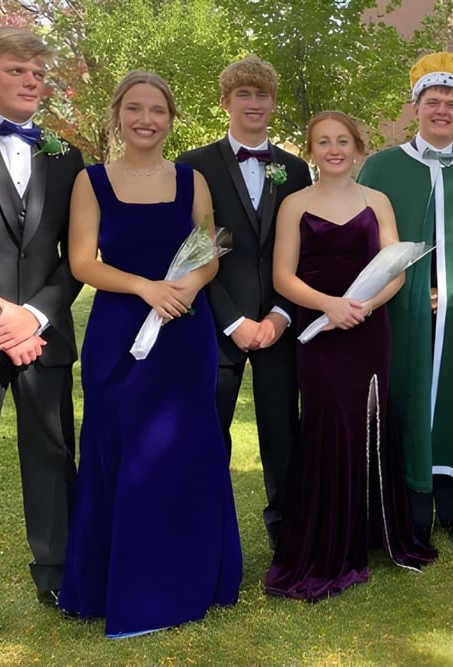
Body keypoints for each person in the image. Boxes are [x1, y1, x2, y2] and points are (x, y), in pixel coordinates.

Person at [58, 71, 241, 637]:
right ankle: (115, 584)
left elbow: (209, 252)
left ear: (171, 118)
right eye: (134, 108)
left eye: (157, 110)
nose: (146, 119)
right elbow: (83, 262)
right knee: (118, 446)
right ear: (118, 115)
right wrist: (145, 288)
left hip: (185, 334)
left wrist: (190, 284)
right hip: (120, 333)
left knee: (186, 448)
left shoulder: (193, 181)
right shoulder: (92, 182)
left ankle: (190, 579)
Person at [265, 111, 437, 602]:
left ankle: (376, 531)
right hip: (318, 332)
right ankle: (327, 540)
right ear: (311, 150)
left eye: (342, 140)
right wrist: (329, 307)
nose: (334, 148)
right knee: (327, 426)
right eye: (323, 142)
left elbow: (397, 271)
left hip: (368, 330)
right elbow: (283, 277)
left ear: (358, 147)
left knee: (371, 425)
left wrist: (359, 310)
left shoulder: (377, 201)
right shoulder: (295, 204)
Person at [358, 52, 453, 545]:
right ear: (415, 108)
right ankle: (407, 503)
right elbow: (363, 241)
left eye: (451, 103)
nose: (442, 110)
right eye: (432, 101)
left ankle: (450, 503)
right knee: (408, 396)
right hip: (399, 312)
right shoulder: (381, 167)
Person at [177, 54, 311, 550]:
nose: (254, 103)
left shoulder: (296, 170)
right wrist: (233, 320)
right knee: (210, 431)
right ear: (225, 102)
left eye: (262, 94)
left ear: (274, 102)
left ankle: (288, 537)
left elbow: (303, 248)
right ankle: (206, 539)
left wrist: (279, 314)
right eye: (243, 94)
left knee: (283, 434)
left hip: (280, 323)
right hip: (217, 321)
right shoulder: (194, 165)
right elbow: (194, 250)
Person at [0, 26, 84, 639]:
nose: (30, 82)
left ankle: (59, 575)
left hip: (44, 335)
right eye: (18, 71)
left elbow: (80, 253)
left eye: (38, 75)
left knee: (51, 454)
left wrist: (37, 315)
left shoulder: (62, 155)